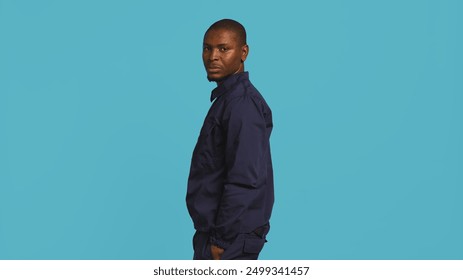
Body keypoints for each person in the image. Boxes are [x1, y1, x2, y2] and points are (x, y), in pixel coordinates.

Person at [186, 19, 274, 260]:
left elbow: (244, 178)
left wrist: (222, 240)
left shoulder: (242, 105)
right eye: (207, 48)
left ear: (243, 52)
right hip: (218, 235)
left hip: (228, 240)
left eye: (223, 49)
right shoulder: (229, 101)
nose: (213, 56)